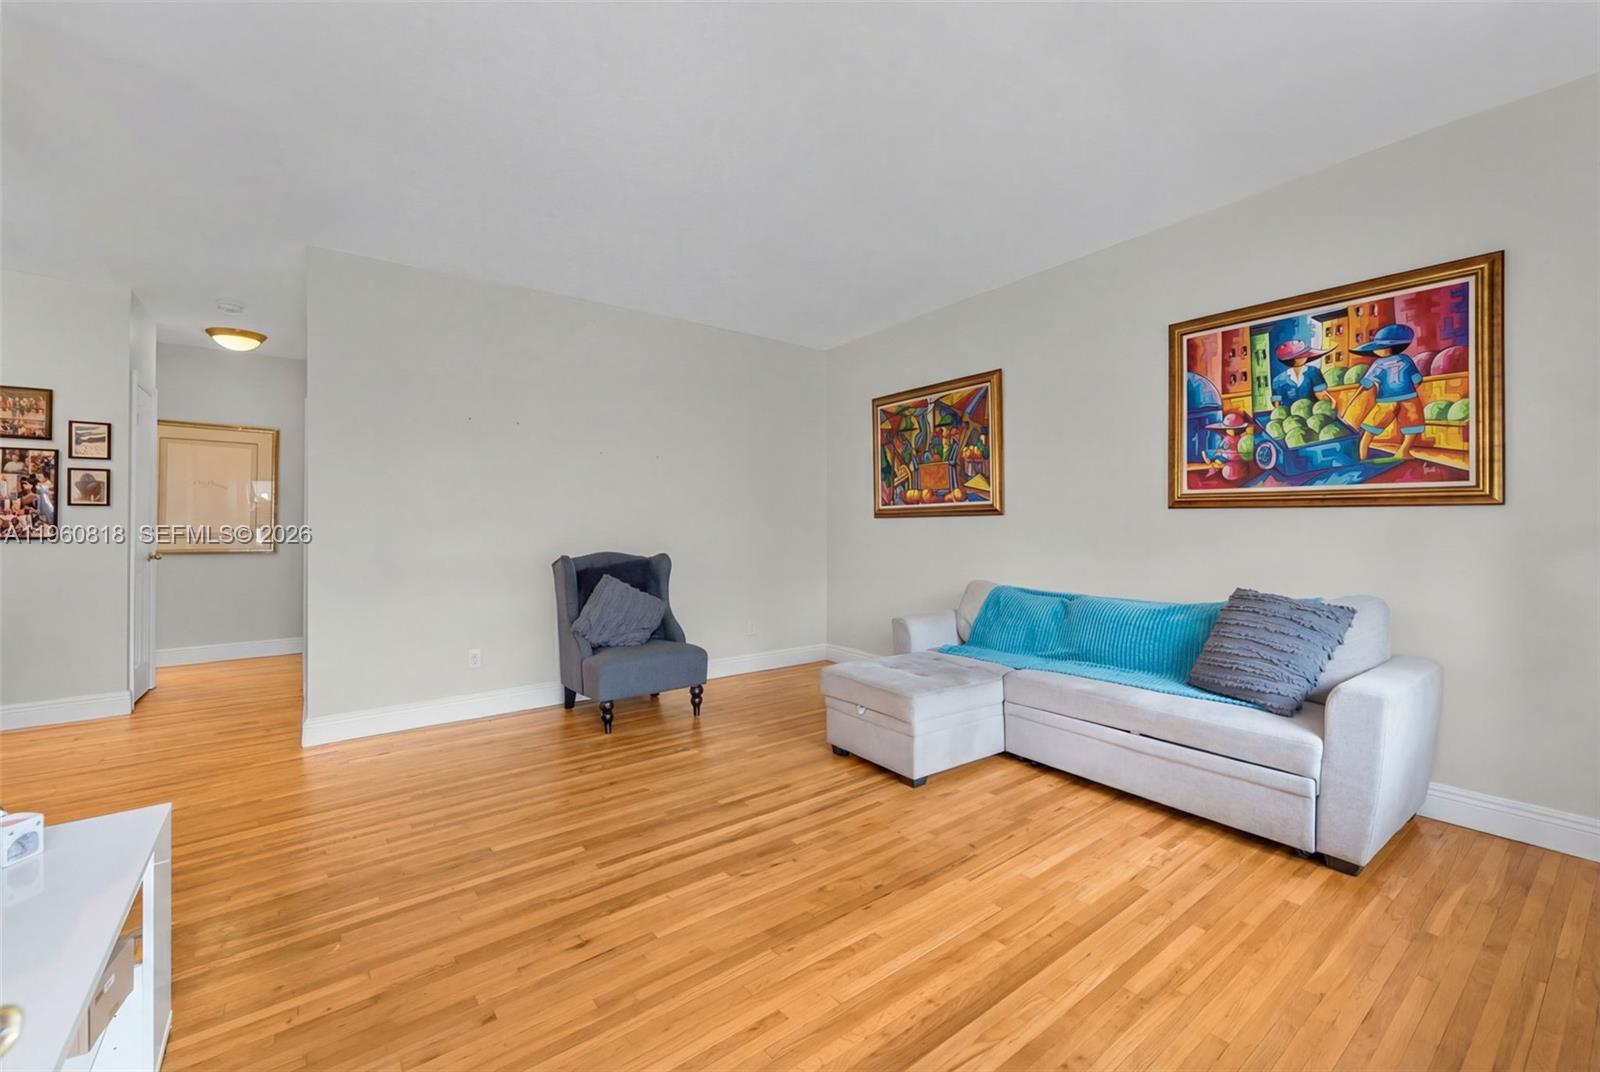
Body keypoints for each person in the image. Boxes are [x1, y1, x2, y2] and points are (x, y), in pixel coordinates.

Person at [1345, 323, 1424, 461]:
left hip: (1385, 401)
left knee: (1370, 429)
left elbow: (1367, 383)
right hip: (1409, 397)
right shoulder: (1406, 359)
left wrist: (1356, 396)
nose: (1375, 351)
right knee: (1412, 425)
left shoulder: (1378, 364)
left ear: (1386, 348)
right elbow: (1417, 379)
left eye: (1377, 348)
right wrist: (1409, 390)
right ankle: (1403, 451)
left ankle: (1363, 457)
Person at [1270, 339, 1334, 408]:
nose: (1305, 357)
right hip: (1289, 413)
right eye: (1302, 355)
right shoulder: (1278, 380)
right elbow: (1277, 406)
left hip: (1313, 412)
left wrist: (1331, 404)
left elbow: (1321, 395)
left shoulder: (1313, 372)